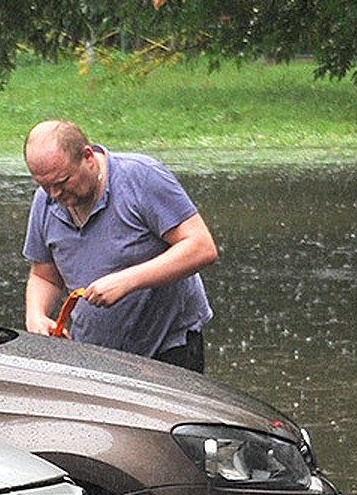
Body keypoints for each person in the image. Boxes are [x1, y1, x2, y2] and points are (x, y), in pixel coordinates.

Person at [22, 119, 217, 371]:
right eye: (44, 185)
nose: (54, 194)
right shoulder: (46, 201)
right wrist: (36, 315)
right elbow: (44, 276)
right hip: (95, 353)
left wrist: (126, 281)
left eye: (62, 181)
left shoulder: (142, 178)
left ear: (88, 156)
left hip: (168, 349)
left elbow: (201, 247)